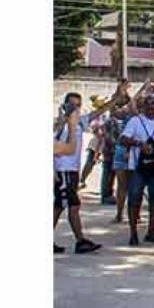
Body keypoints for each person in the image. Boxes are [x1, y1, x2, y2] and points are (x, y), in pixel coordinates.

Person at [53, 93, 103, 254]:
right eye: (72, 105)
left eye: (78, 105)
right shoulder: (62, 125)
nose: (76, 108)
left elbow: (99, 112)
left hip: (72, 170)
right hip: (64, 170)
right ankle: (80, 240)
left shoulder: (78, 123)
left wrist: (117, 97)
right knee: (73, 205)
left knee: (59, 206)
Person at [121, 94, 154, 247]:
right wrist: (138, 143)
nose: (150, 107)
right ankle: (133, 232)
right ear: (142, 107)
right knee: (134, 198)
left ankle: (151, 230)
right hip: (137, 167)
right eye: (147, 104)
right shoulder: (135, 121)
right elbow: (123, 139)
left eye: (153, 104)